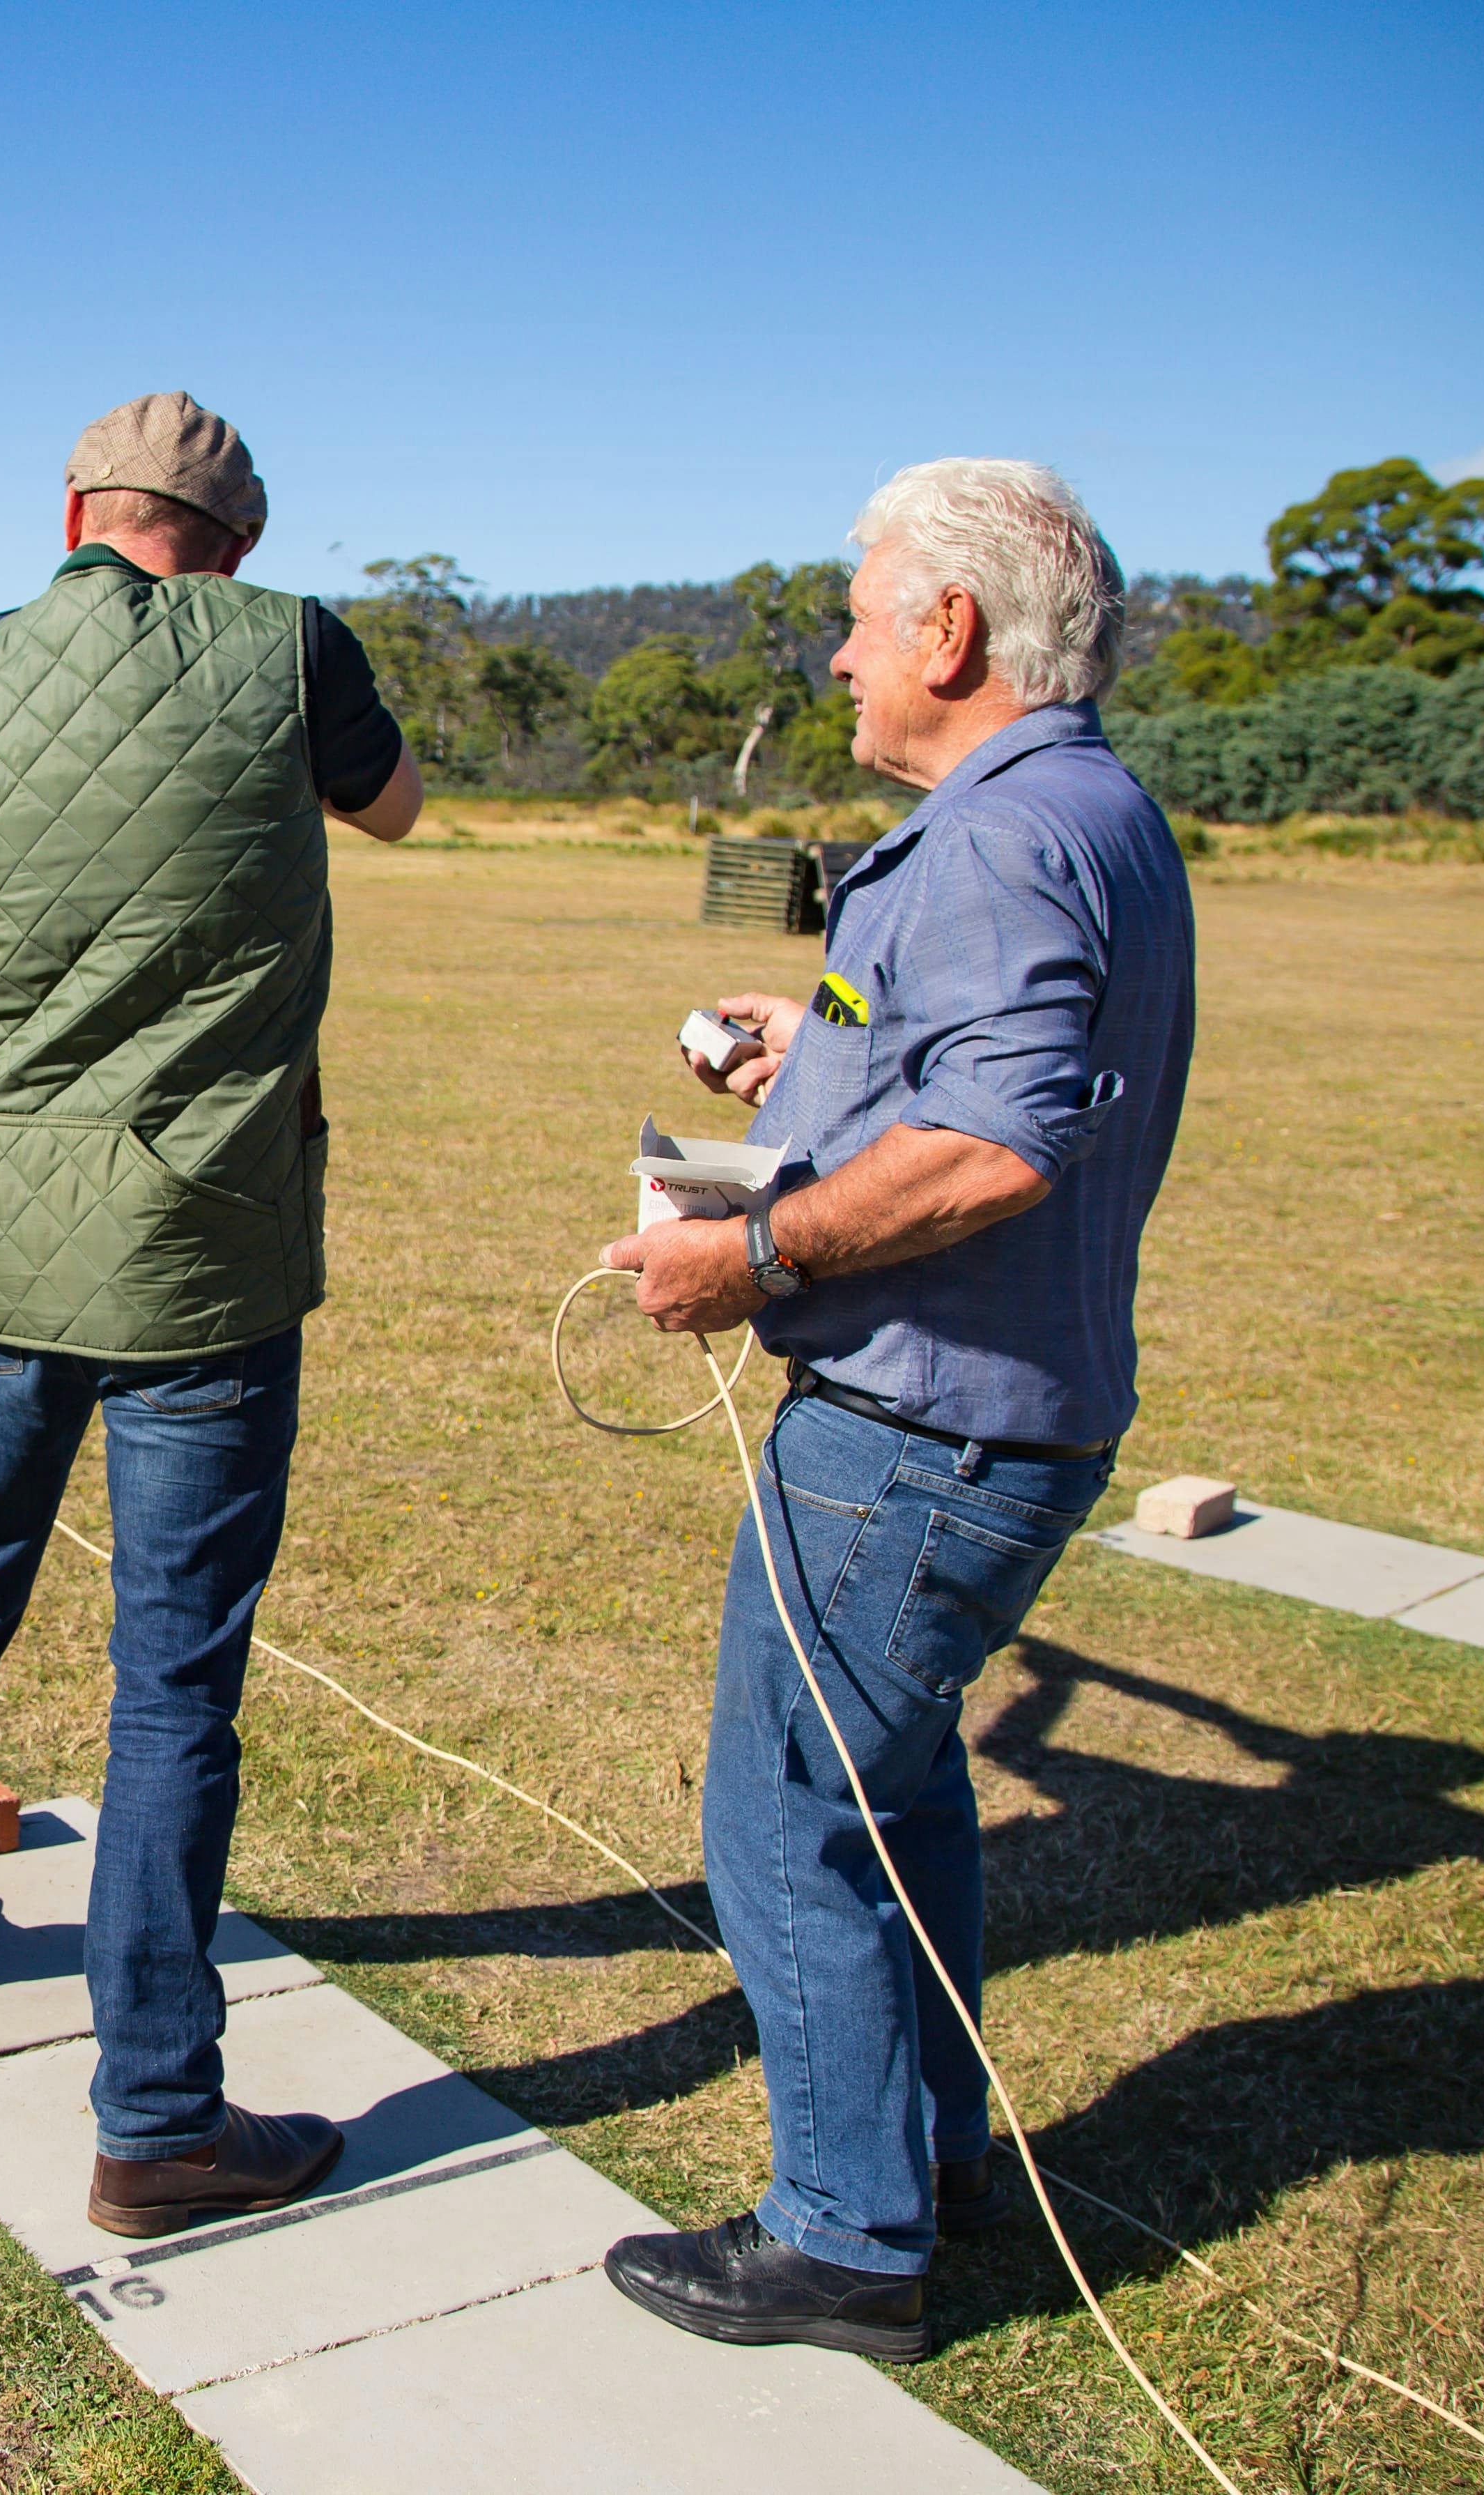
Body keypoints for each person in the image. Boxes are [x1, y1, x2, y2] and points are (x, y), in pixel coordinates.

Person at [596, 458, 1196, 2356]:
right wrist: (810, 1053)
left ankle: (844, 2234)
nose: (842, 653)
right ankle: (923, 2157)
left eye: (860, 616)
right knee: (892, 1784)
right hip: (982, 1413)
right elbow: (972, 1073)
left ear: (948, 629)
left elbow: (999, 1144)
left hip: (920, 1428)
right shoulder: (1064, 807)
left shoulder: (1004, 833)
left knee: (787, 1811)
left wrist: (747, 1256)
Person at [0, 392, 424, 2239]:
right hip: (203, 1244)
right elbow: (397, 807)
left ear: (75, 509)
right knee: (170, 1680)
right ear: (231, 536)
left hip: (11, 1228)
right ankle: (157, 2117)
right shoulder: (287, 646)